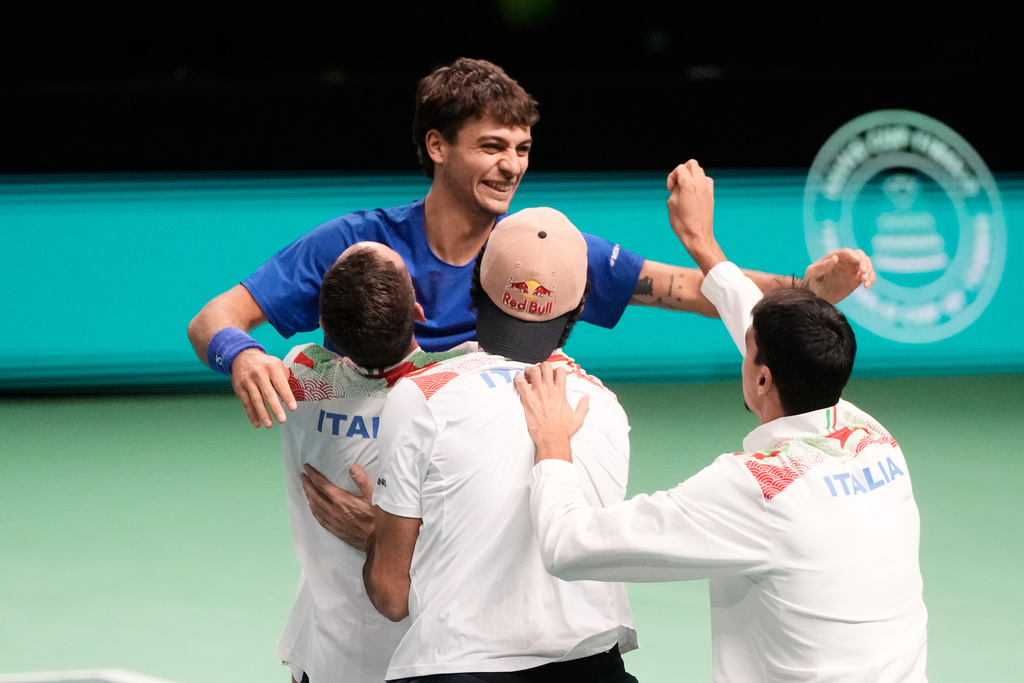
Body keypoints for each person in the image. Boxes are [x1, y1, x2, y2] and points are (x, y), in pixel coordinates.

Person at [186, 56, 870, 431]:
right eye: (491, 146)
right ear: (436, 145)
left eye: (521, 148)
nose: (511, 166)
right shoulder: (360, 246)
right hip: (372, 472)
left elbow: (688, 288)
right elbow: (213, 318)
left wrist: (804, 290)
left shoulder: (542, 249)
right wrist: (239, 353)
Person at [516, 162, 927, 682]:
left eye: (748, 350)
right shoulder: (874, 437)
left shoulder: (757, 489)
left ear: (763, 379)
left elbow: (569, 545)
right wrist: (703, 245)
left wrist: (554, 445)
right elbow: (759, 327)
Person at [363, 207, 638, 682]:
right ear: (578, 308)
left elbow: (391, 594)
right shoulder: (606, 407)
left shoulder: (421, 395)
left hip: (456, 668)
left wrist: (372, 534)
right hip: (597, 665)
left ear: (475, 288)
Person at [275, 241, 474, 683]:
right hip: (422, 658)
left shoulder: (297, 377)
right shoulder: (460, 387)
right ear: (419, 311)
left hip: (325, 660)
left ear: (324, 324)